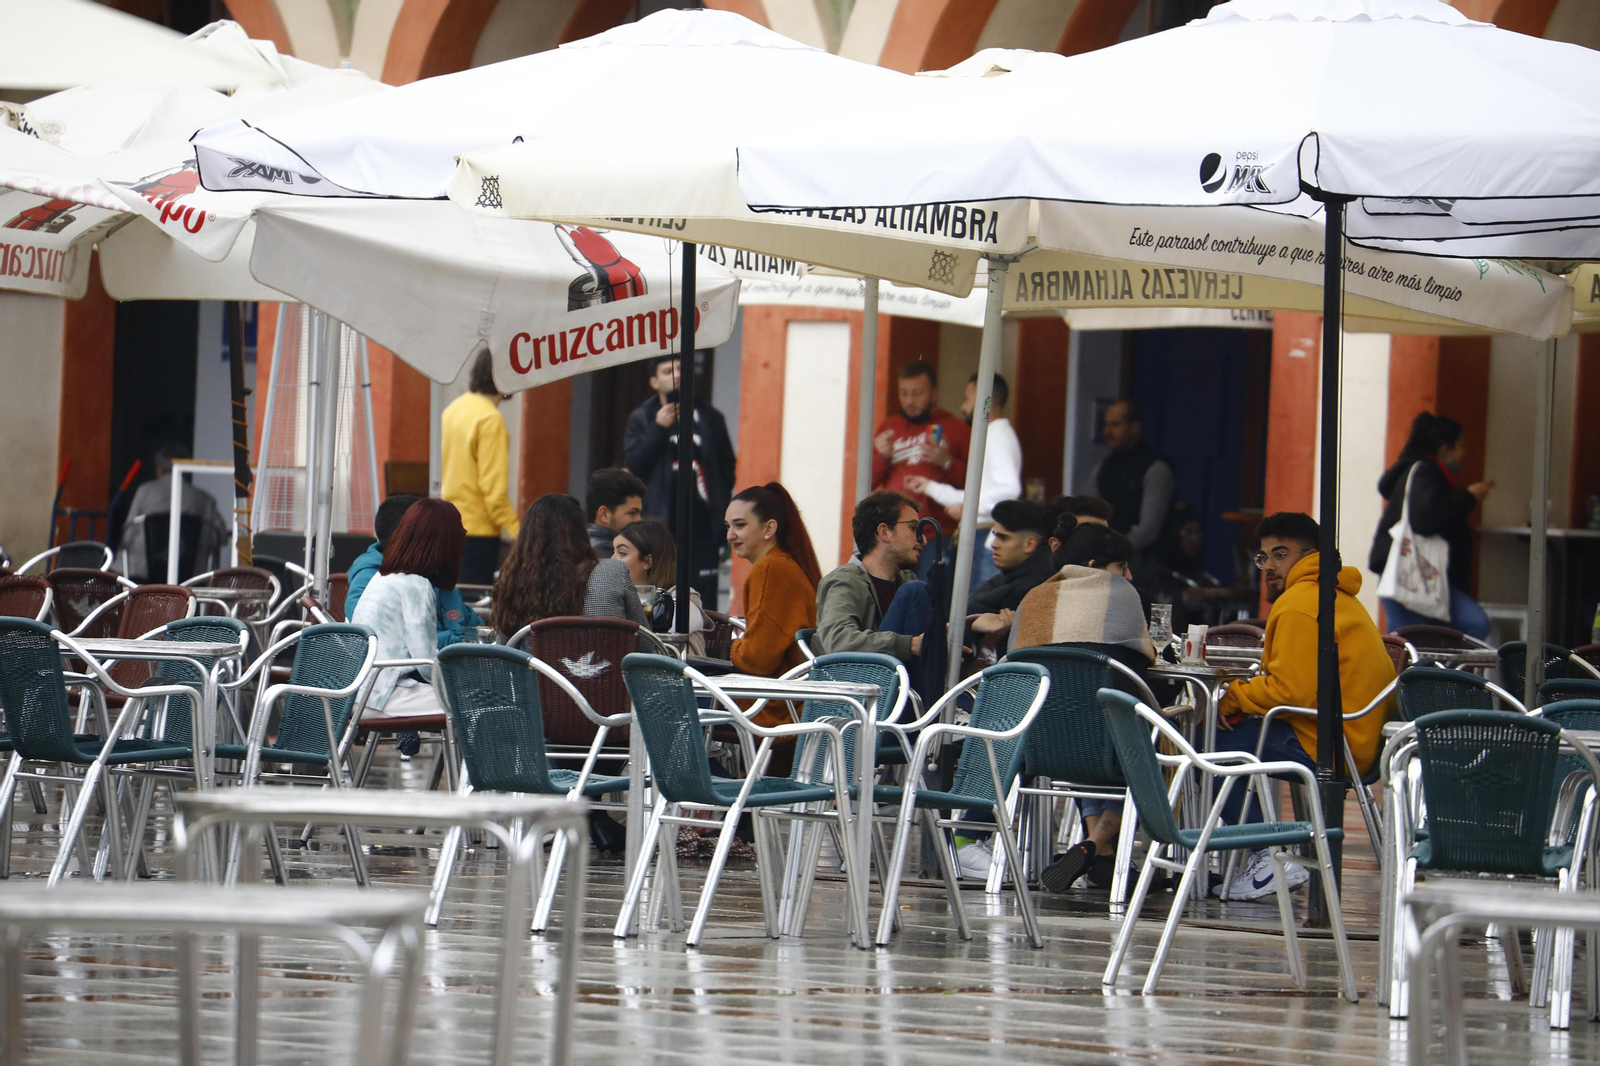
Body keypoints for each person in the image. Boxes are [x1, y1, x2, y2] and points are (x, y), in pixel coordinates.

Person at [1214, 511, 1396, 900]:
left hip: (1332, 748)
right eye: (1264, 557)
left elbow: (1289, 692)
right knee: (1226, 734)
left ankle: (1271, 856)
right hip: (1349, 739)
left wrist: (1233, 697)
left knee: (1207, 741)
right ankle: (1263, 853)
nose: (1269, 567)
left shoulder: (1301, 602)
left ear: (1309, 554)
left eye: (1280, 554)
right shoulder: (1331, 595)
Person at [1002, 515, 1157, 890]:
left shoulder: (1034, 598)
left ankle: (1097, 853)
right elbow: (1140, 671)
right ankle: (1095, 844)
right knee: (1146, 734)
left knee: (1091, 731)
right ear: (1093, 567)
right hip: (1112, 751)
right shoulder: (1119, 595)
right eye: (1122, 566)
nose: (1129, 576)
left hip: (1041, 749)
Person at [622, 354, 736, 607]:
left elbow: (727, 465)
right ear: (654, 382)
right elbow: (635, 466)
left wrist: (719, 504)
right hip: (662, 526)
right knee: (661, 598)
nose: (677, 375)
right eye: (667, 371)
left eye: (681, 370)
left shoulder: (710, 417)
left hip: (703, 529)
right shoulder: (642, 418)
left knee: (703, 603)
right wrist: (658, 428)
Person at [1369, 412, 1494, 639]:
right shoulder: (1426, 473)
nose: (1463, 453)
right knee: (1416, 646)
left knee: (1420, 644)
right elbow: (1425, 519)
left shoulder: (1418, 472)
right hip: (1409, 575)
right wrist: (1467, 496)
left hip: (1417, 576)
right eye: (1460, 446)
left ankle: (1444, 674)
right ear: (1445, 449)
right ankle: (1444, 674)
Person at [350, 499, 466, 720]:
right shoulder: (416, 585)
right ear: (444, 543)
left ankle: (455, 756)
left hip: (362, 691)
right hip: (384, 695)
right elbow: (426, 663)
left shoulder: (383, 576)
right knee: (480, 701)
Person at [908, 372, 1021, 594]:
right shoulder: (994, 434)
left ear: (983, 400)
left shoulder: (996, 436)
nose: (963, 406)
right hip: (981, 536)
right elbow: (982, 492)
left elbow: (1009, 489)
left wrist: (968, 509)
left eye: (968, 398)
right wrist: (930, 487)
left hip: (985, 538)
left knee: (973, 610)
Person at [490, 493, 647, 637]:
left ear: (525, 537)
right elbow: (646, 643)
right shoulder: (613, 572)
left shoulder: (513, 579)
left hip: (536, 668)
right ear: (581, 532)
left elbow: (506, 649)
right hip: (604, 667)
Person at [872, 361, 970, 577]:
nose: (909, 401)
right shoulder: (889, 428)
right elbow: (867, 482)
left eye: (917, 393)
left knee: (929, 599)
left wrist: (947, 462)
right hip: (893, 534)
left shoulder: (955, 429)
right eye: (904, 393)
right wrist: (881, 457)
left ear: (933, 394)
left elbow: (974, 486)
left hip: (936, 534)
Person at [346, 494, 482, 646]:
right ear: (410, 535)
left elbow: (478, 629)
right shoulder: (376, 579)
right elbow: (376, 637)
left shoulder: (436, 578)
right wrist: (459, 639)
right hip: (407, 668)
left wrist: (471, 637)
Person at [815, 491, 927, 662]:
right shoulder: (845, 581)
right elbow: (838, 641)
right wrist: (910, 645)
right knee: (915, 590)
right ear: (884, 532)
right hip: (860, 682)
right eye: (913, 528)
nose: (923, 539)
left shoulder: (907, 579)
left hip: (903, 681)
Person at [725, 482, 823, 678]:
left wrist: (727, 647)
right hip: (788, 696)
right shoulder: (782, 564)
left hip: (778, 702)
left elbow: (757, 660)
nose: (730, 535)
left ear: (769, 528)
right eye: (728, 526)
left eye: (740, 525)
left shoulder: (771, 569)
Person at [441, 350, 519, 586]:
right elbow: (493, 489)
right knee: (473, 603)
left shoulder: (454, 409)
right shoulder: (490, 419)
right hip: (478, 531)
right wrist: (518, 531)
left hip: (449, 524)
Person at [118, 444, 231, 582]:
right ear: (187, 468)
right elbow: (220, 538)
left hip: (142, 574)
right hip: (191, 576)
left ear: (159, 469)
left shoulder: (144, 492)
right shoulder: (204, 499)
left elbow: (128, 535)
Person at [966, 499, 1054, 656]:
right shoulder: (1008, 579)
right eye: (995, 536)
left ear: (1029, 544)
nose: (994, 544)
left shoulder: (1032, 589)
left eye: (1003, 538)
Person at [1091, 400, 1174, 565]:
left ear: (1134, 428)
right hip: (1104, 562)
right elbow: (1086, 511)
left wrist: (1111, 552)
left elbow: (1149, 530)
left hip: (1141, 563)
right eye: (1106, 424)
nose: (1107, 431)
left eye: (1115, 425)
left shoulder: (1156, 468)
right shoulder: (1104, 467)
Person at [613, 518, 707, 656]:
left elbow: (646, 639)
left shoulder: (683, 599)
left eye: (622, 553)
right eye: (613, 551)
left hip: (680, 674)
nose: (613, 559)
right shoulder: (624, 597)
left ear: (648, 561)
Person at [586, 467, 645, 559]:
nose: (639, 520)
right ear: (604, 514)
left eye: (639, 513)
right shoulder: (607, 559)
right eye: (632, 513)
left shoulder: (582, 549)